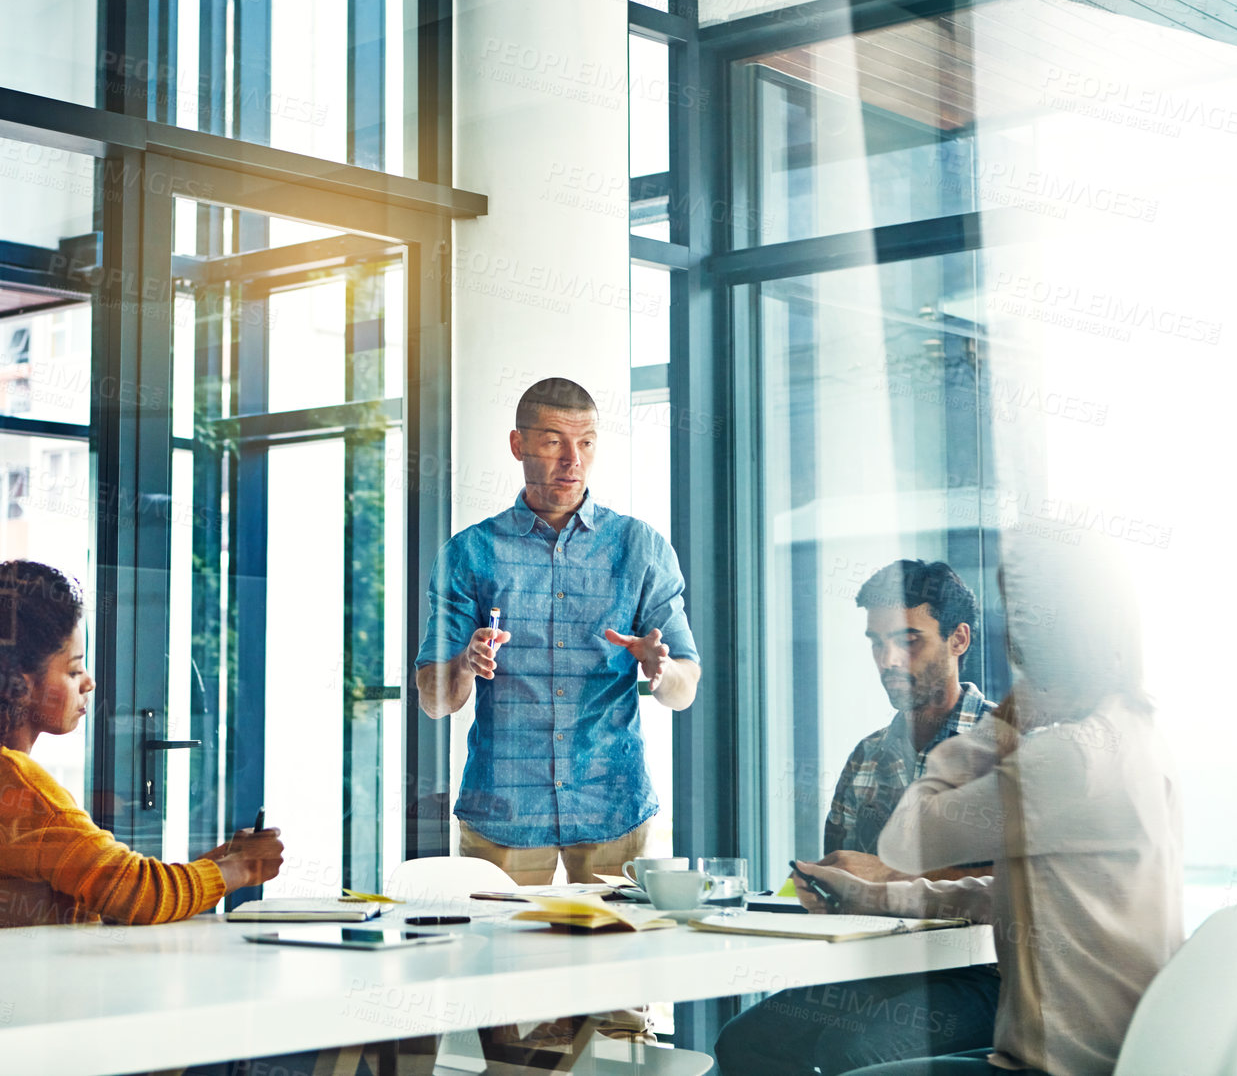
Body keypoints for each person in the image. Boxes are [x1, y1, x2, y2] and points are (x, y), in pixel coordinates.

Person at [795, 540, 1184, 1076]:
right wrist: (869, 893)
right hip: (1101, 1049)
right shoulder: (1137, 735)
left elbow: (905, 838)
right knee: (758, 1039)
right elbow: (1014, 894)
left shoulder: (1067, 755)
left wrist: (1000, 727)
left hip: (1049, 1056)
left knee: (854, 1060)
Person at [716, 560, 1001, 1075]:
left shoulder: (1007, 748)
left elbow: (1026, 887)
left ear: (959, 639)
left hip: (982, 976)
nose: (888, 659)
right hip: (875, 966)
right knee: (744, 1043)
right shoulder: (867, 754)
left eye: (908, 640)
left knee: (851, 1053)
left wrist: (889, 877)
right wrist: (818, 888)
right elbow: (843, 885)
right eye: (876, 642)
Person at [0, 560, 283, 932]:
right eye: (74, 669)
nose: (88, 682)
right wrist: (241, 870)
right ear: (18, 683)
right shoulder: (19, 786)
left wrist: (221, 862)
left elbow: (116, 883)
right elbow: (137, 894)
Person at [414, 376, 701, 884]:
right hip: (504, 809)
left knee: (614, 959)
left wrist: (661, 669)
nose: (573, 459)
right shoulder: (469, 552)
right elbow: (436, 701)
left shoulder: (641, 546)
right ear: (517, 444)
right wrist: (465, 662)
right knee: (499, 960)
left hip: (613, 803)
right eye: (553, 442)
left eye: (586, 442)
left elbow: (684, 689)